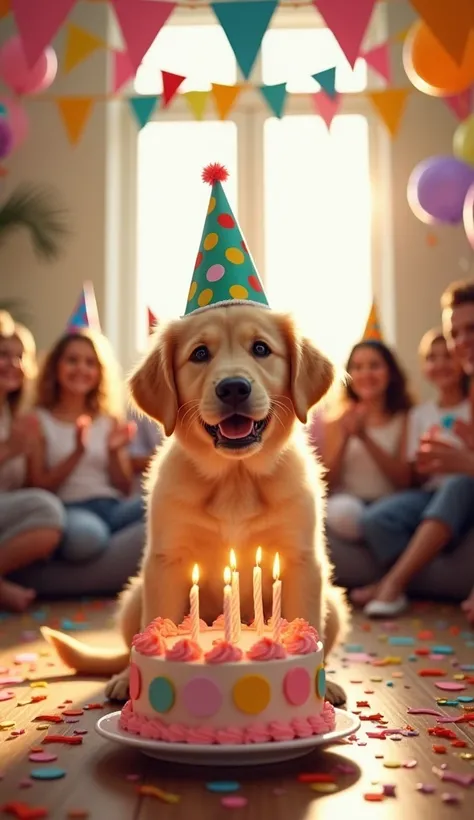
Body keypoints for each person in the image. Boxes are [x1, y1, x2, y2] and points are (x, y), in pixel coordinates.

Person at [354, 328, 474, 617]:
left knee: (457, 484)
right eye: (432, 358)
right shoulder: (419, 415)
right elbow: (410, 479)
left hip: (465, 489)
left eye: (447, 356)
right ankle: (406, 576)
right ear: (424, 368)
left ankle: (392, 583)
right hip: (429, 493)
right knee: (375, 518)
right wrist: (422, 468)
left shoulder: (470, 407)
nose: (441, 364)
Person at [29, 327, 144, 563]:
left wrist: (114, 452)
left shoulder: (108, 418)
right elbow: (39, 487)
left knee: (162, 504)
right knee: (86, 540)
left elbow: (123, 487)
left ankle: (113, 542)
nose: (81, 368)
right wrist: (76, 453)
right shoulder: (39, 419)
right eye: (72, 360)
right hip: (71, 508)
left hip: (113, 506)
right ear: (55, 367)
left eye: (90, 363)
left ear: (100, 372)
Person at [0, 312, 65, 611]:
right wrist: (10, 449)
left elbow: (26, 483)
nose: (13, 363)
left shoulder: (17, 415)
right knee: (47, 509)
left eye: (20, 356)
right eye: (3, 354)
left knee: (49, 515)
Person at [320, 340, 413, 542]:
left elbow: (404, 480)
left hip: (390, 504)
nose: (366, 374)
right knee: (344, 513)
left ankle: (379, 530)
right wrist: (345, 438)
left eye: (374, 366)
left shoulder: (405, 418)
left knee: (381, 516)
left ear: (390, 372)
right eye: (358, 367)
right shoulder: (336, 420)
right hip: (349, 504)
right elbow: (327, 483)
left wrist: (365, 437)